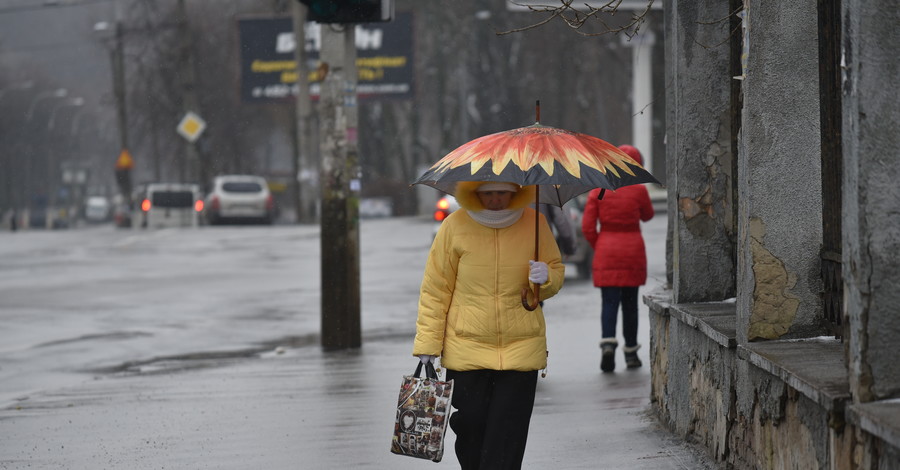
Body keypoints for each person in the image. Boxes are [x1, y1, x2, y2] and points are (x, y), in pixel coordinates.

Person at [413, 181, 565, 470]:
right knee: (470, 425)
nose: (496, 199)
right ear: (475, 193)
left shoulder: (535, 224)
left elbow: (554, 275)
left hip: (521, 347)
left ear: (515, 192)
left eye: (503, 193)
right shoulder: (454, 226)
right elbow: (436, 289)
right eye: (488, 193)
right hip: (467, 347)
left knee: (508, 432)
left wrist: (546, 277)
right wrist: (427, 346)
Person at [581, 144, 655, 372]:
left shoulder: (599, 190)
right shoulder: (639, 190)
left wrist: (600, 244)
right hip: (632, 251)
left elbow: (587, 227)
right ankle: (631, 352)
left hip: (607, 250)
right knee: (630, 305)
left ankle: (608, 345)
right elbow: (649, 215)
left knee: (609, 302)